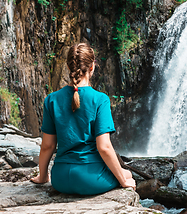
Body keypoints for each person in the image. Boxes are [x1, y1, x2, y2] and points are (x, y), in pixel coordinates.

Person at [31, 43, 136, 195]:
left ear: (68, 67)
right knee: (127, 174)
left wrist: (42, 176)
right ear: (92, 66)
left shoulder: (51, 100)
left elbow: (48, 146)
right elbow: (104, 147)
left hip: (60, 179)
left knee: (123, 172)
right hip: (90, 179)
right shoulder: (100, 100)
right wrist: (124, 181)